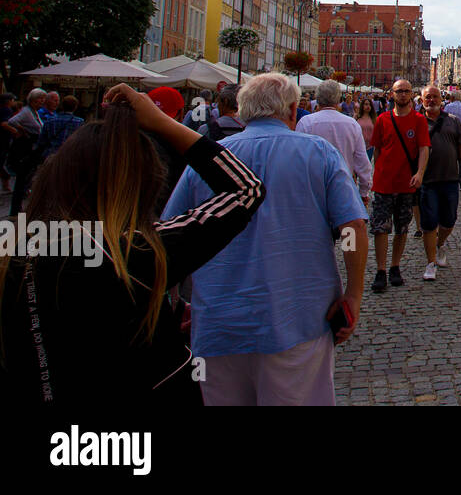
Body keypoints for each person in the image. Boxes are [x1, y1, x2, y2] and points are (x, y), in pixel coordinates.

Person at [1, 84, 266, 405]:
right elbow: (245, 189)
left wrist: (159, 307)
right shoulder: (133, 254)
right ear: (141, 187)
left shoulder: (14, 247)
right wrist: (163, 123)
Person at [164, 73, 369, 405]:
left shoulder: (209, 158)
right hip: (299, 320)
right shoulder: (319, 153)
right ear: (292, 110)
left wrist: (176, 303)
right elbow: (352, 228)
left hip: (218, 323)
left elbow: (171, 236)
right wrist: (353, 294)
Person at [368, 79, 430, 292]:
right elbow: (376, 149)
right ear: (392, 94)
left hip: (407, 183)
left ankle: (395, 266)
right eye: (399, 91)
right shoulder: (383, 120)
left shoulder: (419, 120)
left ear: (411, 94)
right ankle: (381, 270)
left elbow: (424, 149)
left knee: (402, 228)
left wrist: (420, 173)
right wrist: (378, 171)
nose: (403, 95)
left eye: (406, 91)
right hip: (384, 183)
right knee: (380, 228)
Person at [418, 86, 461, 280]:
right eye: (428, 97)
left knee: (449, 220)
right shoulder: (417, 122)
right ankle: (430, 262)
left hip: (450, 178)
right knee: (429, 222)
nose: (431, 100)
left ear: (441, 99)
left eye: (435, 97)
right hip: (427, 180)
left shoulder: (453, 121)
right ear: (422, 100)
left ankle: (440, 243)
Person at [297, 80, 372, 207]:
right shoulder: (351, 124)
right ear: (338, 99)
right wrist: (364, 192)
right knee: (344, 226)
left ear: (318, 98)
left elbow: (298, 159)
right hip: (344, 187)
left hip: (314, 189)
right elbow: (362, 161)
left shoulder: (306, 123)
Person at [3, 88, 46, 216]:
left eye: (43, 99)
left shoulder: (34, 112)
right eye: (40, 99)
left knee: (25, 180)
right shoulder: (27, 112)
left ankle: (18, 207)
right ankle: (16, 209)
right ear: (32, 99)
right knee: (22, 180)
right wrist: (21, 131)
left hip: (31, 149)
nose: (42, 101)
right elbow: (12, 121)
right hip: (25, 150)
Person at [34, 94, 84, 165]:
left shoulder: (50, 120)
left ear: (62, 106)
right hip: (70, 157)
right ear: (75, 107)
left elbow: (41, 140)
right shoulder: (80, 122)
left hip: (51, 155)